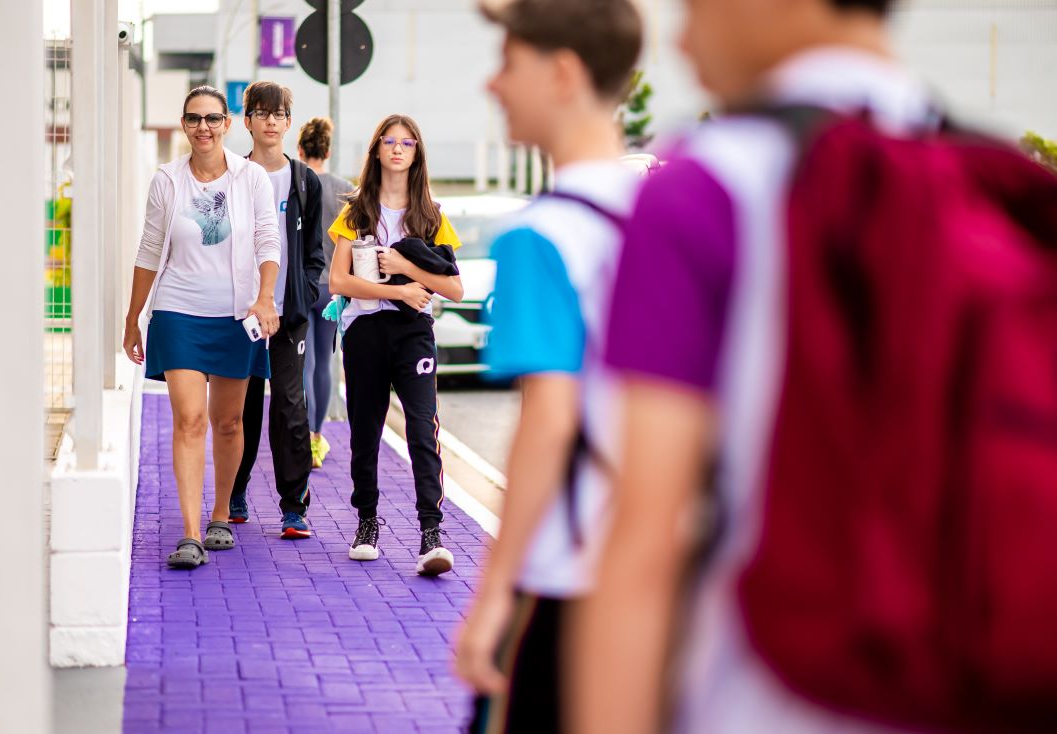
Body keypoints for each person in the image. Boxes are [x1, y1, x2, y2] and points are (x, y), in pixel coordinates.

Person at [571, 0, 941, 732]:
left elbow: (648, 532)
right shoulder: (995, 183)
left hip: (769, 698)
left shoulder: (704, 187)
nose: (682, 35)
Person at [454, 1, 643, 732]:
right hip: (662, 572)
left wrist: (494, 592)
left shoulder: (540, 237)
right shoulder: (670, 211)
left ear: (562, 72)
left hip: (566, 577)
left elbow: (550, 420)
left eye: (508, 63)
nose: (491, 85)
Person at [123, 85, 280, 569]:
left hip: (236, 316)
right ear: (185, 124)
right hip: (178, 312)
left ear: (228, 124)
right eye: (194, 119)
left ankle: (218, 516)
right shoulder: (167, 180)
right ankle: (190, 533)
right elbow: (150, 251)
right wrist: (133, 317)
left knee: (229, 421)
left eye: (213, 119)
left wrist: (264, 298)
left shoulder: (251, 177)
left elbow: (267, 240)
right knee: (189, 420)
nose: (204, 128)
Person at [327, 114, 464, 577]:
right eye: (391, 141)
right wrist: (397, 290)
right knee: (364, 433)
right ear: (378, 150)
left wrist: (407, 266)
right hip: (365, 332)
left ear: (417, 153)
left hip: (413, 334)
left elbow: (455, 289)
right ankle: (367, 523)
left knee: (423, 429)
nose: (399, 149)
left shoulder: (430, 215)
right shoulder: (355, 212)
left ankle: (432, 534)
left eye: (408, 143)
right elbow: (338, 281)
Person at [227, 81, 326, 539]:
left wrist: (301, 295)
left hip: (289, 317)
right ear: (246, 121)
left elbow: (314, 254)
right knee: (241, 409)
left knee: (291, 407)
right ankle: (235, 491)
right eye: (261, 113)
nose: (270, 120)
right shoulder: (232, 176)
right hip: (241, 316)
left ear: (289, 122)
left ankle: (293, 506)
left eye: (279, 113)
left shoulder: (305, 181)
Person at [298, 116, 354, 467]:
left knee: (305, 362)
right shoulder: (345, 189)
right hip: (333, 288)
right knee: (326, 363)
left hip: (303, 285)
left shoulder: (295, 183)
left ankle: (303, 437)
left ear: (300, 149)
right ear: (328, 150)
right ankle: (318, 439)